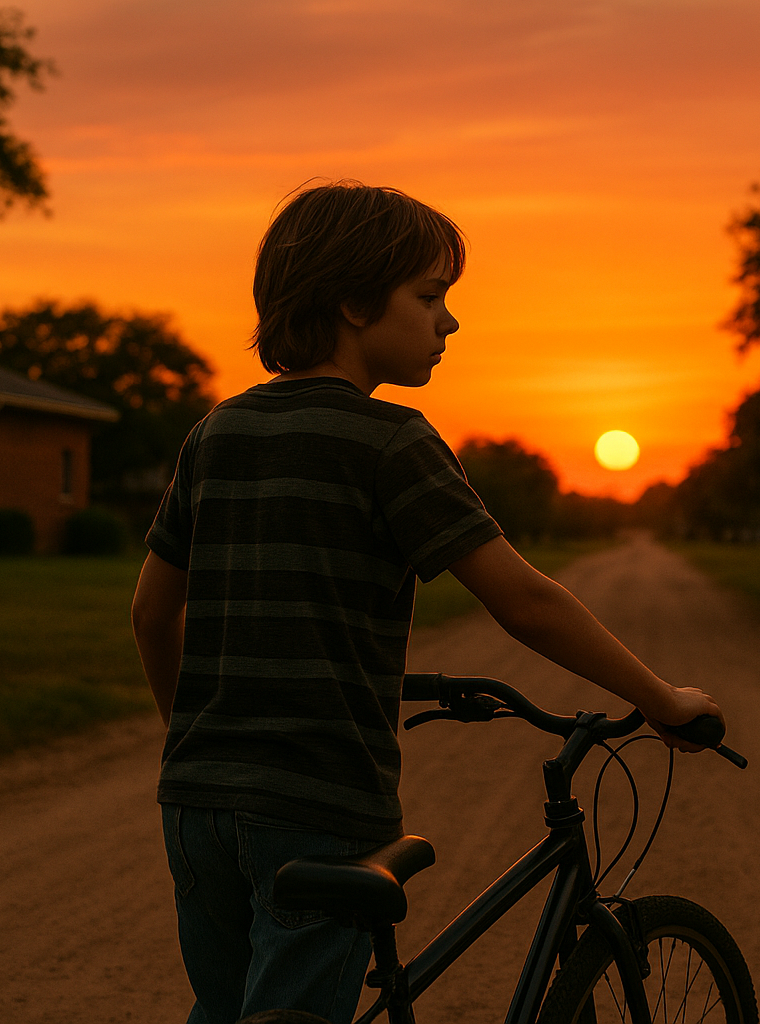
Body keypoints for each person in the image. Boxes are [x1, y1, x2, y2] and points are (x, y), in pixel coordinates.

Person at [131, 181, 724, 1024]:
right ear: (354, 303)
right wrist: (660, 698)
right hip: (319, 803)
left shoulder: (216, 433)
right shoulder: (392, 440)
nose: (450, 321)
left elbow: (151, 614)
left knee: (225, 1010)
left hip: (195, 805)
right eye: (430, 296)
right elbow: (523, 601)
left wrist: (195, 744)